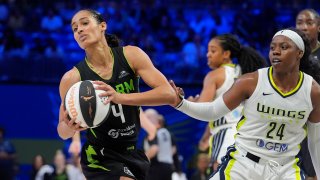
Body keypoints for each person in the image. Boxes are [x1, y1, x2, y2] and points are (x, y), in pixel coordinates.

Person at [170, 27, 320, 179]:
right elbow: (213, 110)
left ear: (299, 53)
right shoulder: (250, 81)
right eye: (272, 47)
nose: (276, 51)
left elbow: (316, 141)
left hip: (285, 168)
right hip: (244, 164)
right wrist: (180, 104)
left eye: (284, 47)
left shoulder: (312, 91)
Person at [57, 9, 176, 180]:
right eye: (75, 29)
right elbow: (62, 131)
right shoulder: (72, 78)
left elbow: (168, 94)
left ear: (103, 26)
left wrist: (120, 97)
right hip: (99, 155)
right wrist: (70, 128)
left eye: (84, 23)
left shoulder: (131, 55)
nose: (79, 30)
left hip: (132, 152)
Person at [189, 34, 266, 173]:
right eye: (208, 51)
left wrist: (190, 103)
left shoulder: (214, 75)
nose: (208, 55)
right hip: (249, 133)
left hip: (226, 132)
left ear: (226, 54)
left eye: (213, 51)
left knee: (220, 172)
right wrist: (206, 137)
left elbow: (202, 110)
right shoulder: (245, 72)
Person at [296, 8, 320, 180]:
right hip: (293, 121)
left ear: (318, 27)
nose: (303, 27)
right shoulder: (289, 54)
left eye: (309, 23)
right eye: (299, 23)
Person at [144, 109, 176, 180]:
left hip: (156, 168)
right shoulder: (167, 133)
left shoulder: (153, 132)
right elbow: (174, 149)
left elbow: (154, 148)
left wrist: (142, 160)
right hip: (168, 166)